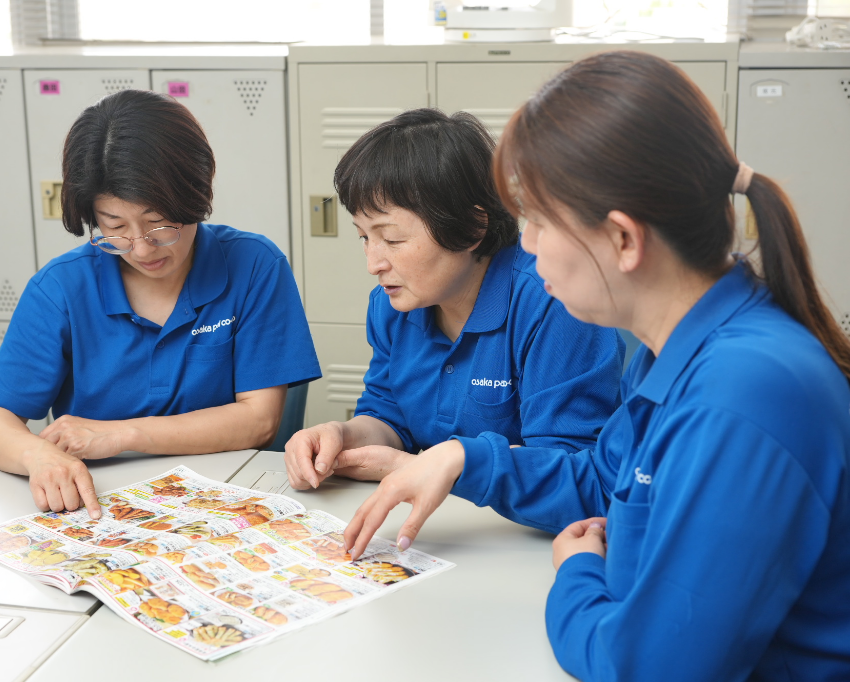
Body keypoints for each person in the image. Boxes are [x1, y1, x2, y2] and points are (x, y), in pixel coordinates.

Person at [343, 51, 850, 680]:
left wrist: (577, 573)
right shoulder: (673, 352)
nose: (523, 245)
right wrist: (464, 458)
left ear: (623, 240)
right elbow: (601, 484)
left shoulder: (745, 393)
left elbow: (646, 667)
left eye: (537, 222)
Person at [0, 90, 320, 519]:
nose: (140, 247)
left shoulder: (253, 266)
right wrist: (37, 457)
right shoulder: (61, 287)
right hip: (102, 504)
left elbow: (259, 421)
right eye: (114, 227)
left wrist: (120, 435)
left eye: (158, 223)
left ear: (195, 195)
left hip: (227, 499)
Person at [284, 109, 624, 491]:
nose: (373, 264)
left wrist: (414, 467)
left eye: (392, 239)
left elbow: (572, 470)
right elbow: (388, 415)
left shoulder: (553, 304)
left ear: (471, 227)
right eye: (364, 237)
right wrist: (340, 435)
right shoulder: (393, 304)